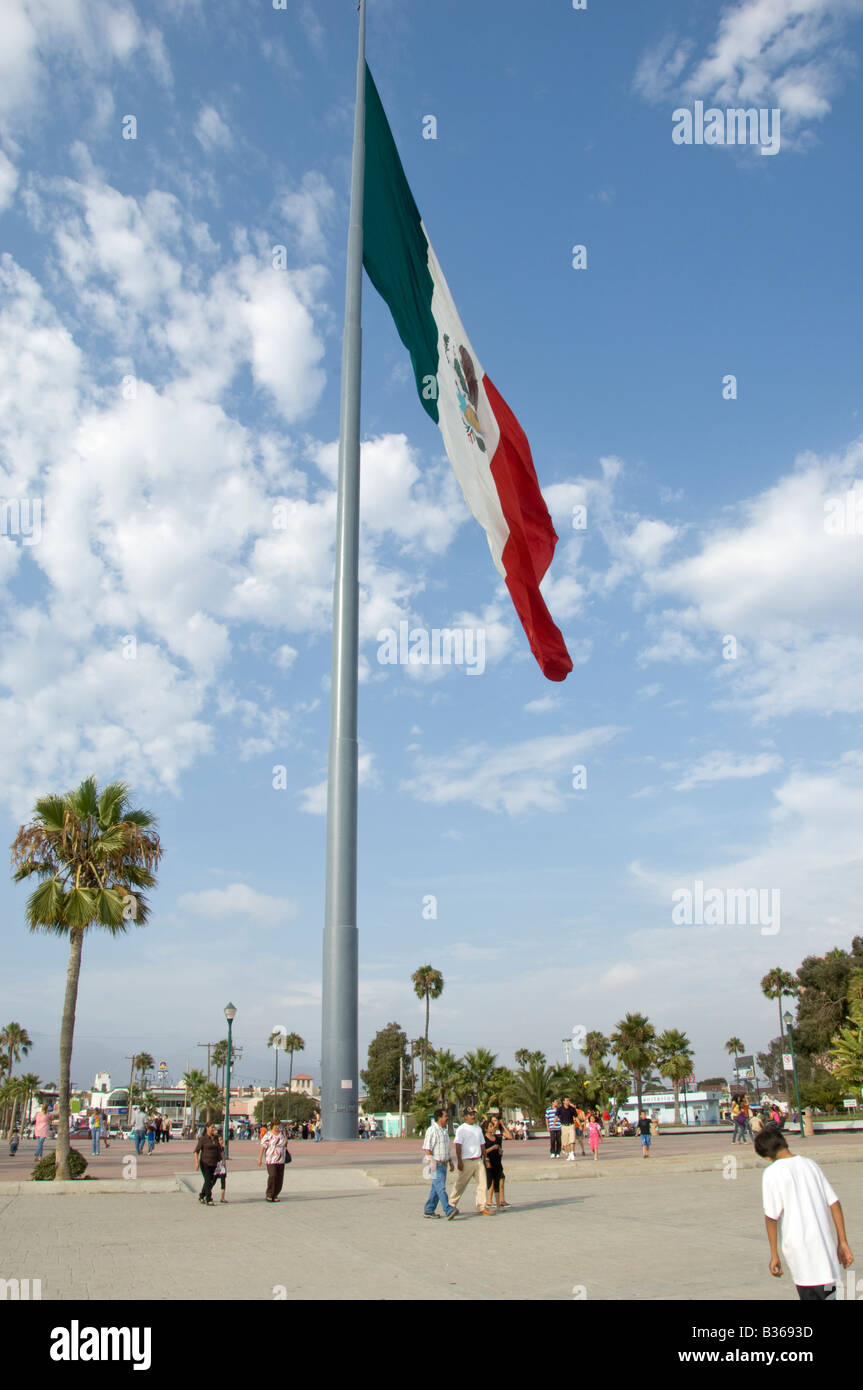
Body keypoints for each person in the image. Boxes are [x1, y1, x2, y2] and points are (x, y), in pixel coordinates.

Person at [755, 1123, 853, 1300]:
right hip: (825, 1252)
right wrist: (843, 1242)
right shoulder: (810, 1164)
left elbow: (771, 1217)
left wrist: (774, 1254)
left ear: (766, 1157)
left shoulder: (771, 1173)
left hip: (801, 1255)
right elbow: (834, 1203)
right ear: (785, 1142)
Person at [451, 1107, 493, 1215]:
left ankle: (481, 1206)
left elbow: (482, 1145)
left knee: (483, 1184)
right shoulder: (461, 1129)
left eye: (473, 1114)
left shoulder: (478, 1128)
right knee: (461, 1184)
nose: (473, 1116)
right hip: (466, 1160)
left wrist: (486, 1158)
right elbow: (458, 1146)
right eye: (470, 1114)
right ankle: (451, 1204)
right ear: (465, 1117)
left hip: (478, 1160)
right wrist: (459, 1161)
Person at [422, 1107, 458, 1219]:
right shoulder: (432, 1130)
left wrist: (451, 1162)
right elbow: (427, 1148)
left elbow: (446, 1149)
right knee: (441, 1188)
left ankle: (429, 1209)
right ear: (439, 1117)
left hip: (444, 1164)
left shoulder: (444, 1131)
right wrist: (431, 1162)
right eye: (445, 1116)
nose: (447, 1118)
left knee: (436, 1189)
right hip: (435, 1164)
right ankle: (448, 1209)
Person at [482, 1113, 513, 1208]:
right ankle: (488, 1200)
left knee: (500, 1179)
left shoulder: (498, 1133)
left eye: (496, 1121)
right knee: (491, 1181)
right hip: (489, 1161)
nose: (494, 1123)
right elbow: (483, 1151)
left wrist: (503, 1125)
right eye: (493, 1121)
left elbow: (510, 1137)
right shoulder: (485, 1135)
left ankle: (500, 1201)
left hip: (497, 1161)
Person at [194, 1121, 224, 1205]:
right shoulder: (203, 1139)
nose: (213, 1129)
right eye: (212, 1127)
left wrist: (222, 1160)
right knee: (207, 1180)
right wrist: (196, 1163)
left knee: (210, 1181)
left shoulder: (215, 1138)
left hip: (214, 1163)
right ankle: (209, 1199)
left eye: (214, 1127)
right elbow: (196, 1151)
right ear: (207, 1128)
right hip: (205, 1162)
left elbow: (219, 1149)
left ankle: (201, 1195)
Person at [257, 1120, 288, 1202]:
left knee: (279, 1178)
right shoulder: (268, 1135)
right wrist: (260, 1158)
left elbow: (284, 1145)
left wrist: (286, 1142)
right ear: (272, 1126)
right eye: (276, 1125)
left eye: (278, 1125)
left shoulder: (282, 1134)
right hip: (271, 1159)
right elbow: (263, 1147)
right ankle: (269, 1193)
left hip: (281, 1159)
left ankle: (275, 1194)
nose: (277, 1127)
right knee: (273, 1175)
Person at [557, 1097, 577, 1162]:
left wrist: (579, 1125)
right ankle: (569, 1154)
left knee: (572, 1141)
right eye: (567, 1100)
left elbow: (576, 1117)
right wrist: (553, 1123)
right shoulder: (560, 1109)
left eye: (569, 1100)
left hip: (571, 1125)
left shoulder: (572, 1109)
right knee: (565, 1143)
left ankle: (572, 1153)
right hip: (564, 1126)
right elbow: (556, 1116)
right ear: (563, 1101)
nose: (568, 1102)